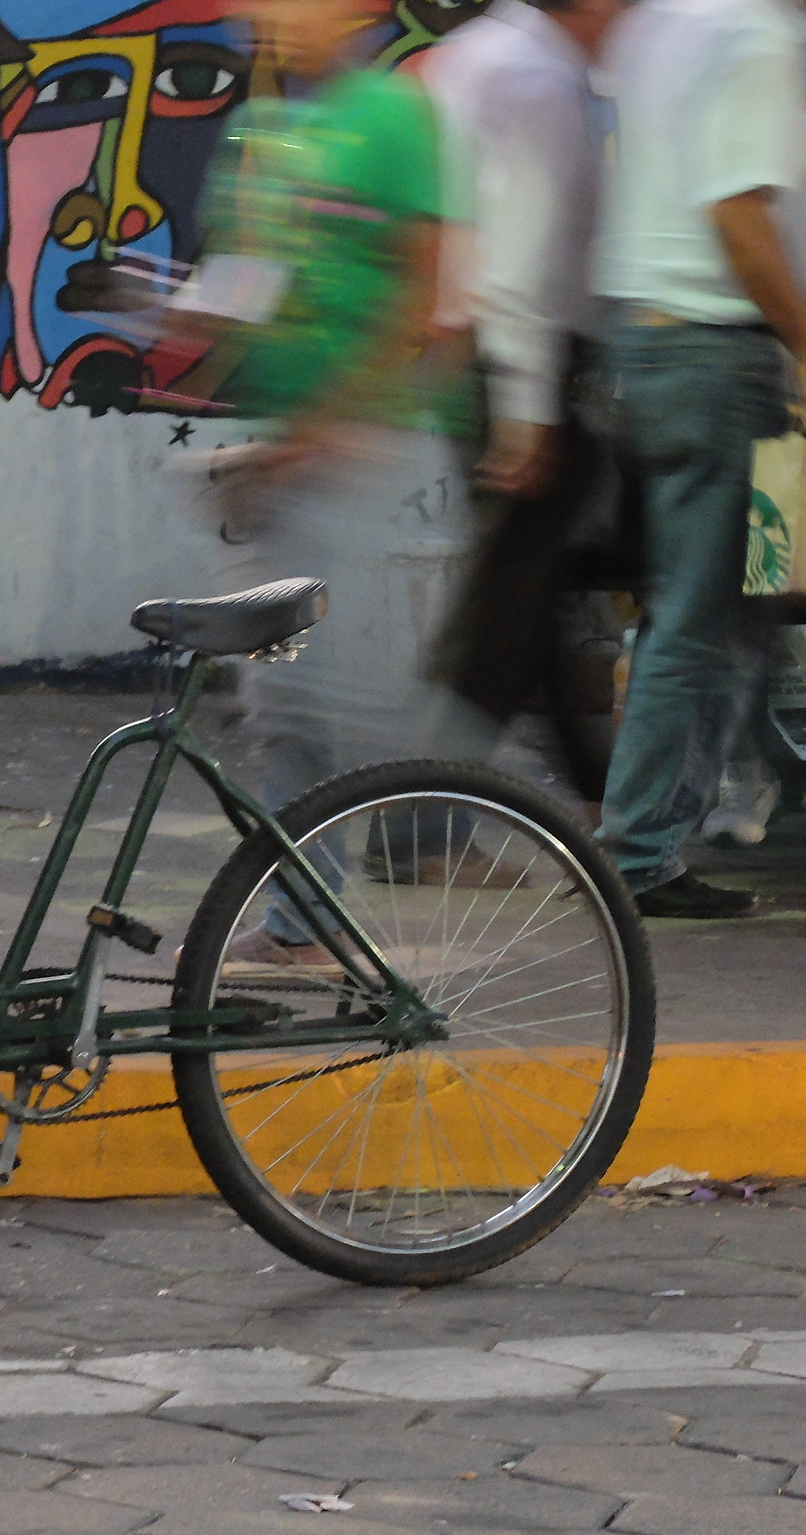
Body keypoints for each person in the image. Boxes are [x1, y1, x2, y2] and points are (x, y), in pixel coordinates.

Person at [192, 0, 471, 925]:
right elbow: (244, 287)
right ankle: (304, 919)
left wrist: (326, 429)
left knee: (338, 700)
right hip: (286, 461)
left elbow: (422, 299)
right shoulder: (261, 133)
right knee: (282, 702)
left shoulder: (393, 117)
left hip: (371, 453)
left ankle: (400, 855)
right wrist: (171, 312)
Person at [586, 0, 806, 920]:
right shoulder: (758, 34)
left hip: (653, 345)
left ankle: (671, 823)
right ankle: (640, 851)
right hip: (714, 352)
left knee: (727, 608)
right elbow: (737, 213)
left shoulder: (659, 24)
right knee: (709, 615)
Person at [423, 0, 624, 805]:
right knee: (505, 606)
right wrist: (527, 407)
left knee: (529, 589)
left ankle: (600, 791)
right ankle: (417, 825)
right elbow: (525, 260)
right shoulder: (537, 78)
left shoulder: (473, 54)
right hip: (525, 362)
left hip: (479, 352)